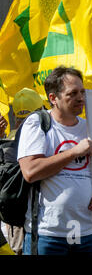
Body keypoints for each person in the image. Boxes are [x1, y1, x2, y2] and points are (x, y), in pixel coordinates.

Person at [17, 66, 92, 255]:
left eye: (82, 92)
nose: (81, 98)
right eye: (72, 93)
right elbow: (30, 171)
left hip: (88, 233)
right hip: (48, 235)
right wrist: (74, 152)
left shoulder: (91, 127)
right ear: (53, 98)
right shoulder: (37, 123)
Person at [1, 88, 45, 255]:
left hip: (14, 221)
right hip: (33, 219)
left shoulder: (7, 141)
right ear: (40, 111)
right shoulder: (44, 134)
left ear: (15, 117)